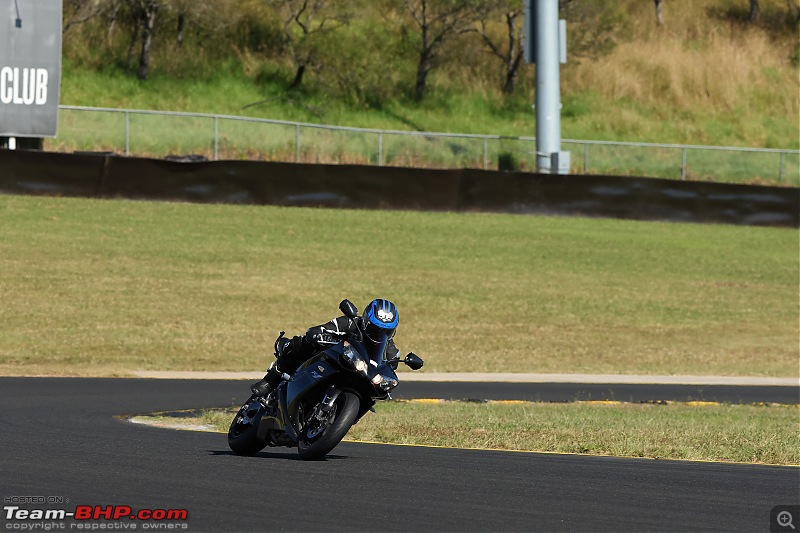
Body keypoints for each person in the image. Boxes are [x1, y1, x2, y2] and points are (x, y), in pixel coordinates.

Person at [251, 298, 401, 397]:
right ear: (366, 320)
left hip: (357, 375)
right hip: (329, 358)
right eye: (374, 329)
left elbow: (391, 366)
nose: (378, 334)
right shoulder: (350, 323)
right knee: (302, 342)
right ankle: (271, 380)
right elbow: (319, 330)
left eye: (385, 331)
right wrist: (320, 335)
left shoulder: (390, 349)